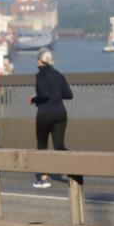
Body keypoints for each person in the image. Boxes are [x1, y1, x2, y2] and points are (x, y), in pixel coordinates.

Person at [30, 48, 73, 188]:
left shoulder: (40, 75)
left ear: (42, 61)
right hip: (60, 113)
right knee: (59, 145)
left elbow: (44, 94)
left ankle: (43, 179)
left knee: (42, 146)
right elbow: (68, 95)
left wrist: (34, 99)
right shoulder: (59, 75)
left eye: (38, 59)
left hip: (45, 114)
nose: (37, 61)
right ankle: (73, 171)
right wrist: (57, 93)